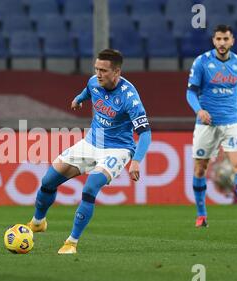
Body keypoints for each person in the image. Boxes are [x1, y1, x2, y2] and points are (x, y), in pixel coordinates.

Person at [26, 49, 152, 254]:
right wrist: (78, 99)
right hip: (91, 143)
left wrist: (136, 161)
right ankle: (38, 222)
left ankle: (71, 242)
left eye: (103, 70)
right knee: (48, 180)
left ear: (117, 72)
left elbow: (145, 134)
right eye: (96, 69)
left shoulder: (130, 98)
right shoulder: (95, 81)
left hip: (118, 149)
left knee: (90, 188)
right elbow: (88, 90)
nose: (98, 73)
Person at [186, 24, 237, 228]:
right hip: (206, 124)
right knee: (200, 169)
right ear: (214, 41)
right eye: (218, 39)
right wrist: (199, 110)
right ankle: (201, 215)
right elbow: (190, 92)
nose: (222, 43)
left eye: (225, 39)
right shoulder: (201, 62)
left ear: (232, 41)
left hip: (232, 122)